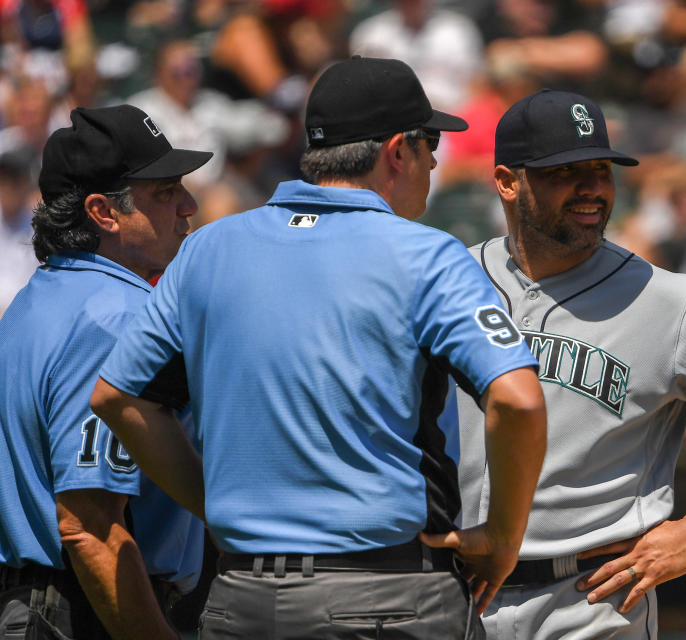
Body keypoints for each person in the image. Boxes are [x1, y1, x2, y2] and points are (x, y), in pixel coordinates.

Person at [89, 57, 547, 639]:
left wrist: (215, 504)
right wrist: (504, 539)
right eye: (429, 142)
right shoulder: (427, 255)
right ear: (398, 151)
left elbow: (116, 398)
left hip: (240, 599)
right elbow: (520, 401)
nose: (435, 160)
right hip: (387, 597)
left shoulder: (209, 248)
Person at [456, 89, 686, 639]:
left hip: (588, 602)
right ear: (508, 182)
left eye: (601, 169)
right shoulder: (447, 282)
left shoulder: (674, 301)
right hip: (455, 599)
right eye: (566, 172)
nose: (592, 188)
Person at [0, 104, 211, 639]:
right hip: (89, 609)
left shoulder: (39, 298)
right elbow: (90, 526)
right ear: (103, 212)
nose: (188, 205)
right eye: (165, 192)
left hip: (45, 602)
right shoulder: (117, 317)